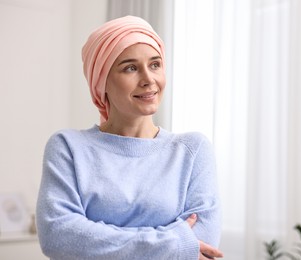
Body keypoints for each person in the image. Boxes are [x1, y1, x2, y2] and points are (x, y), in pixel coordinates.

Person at [36, 15, 223, 260]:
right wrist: (172, 243)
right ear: (101, 82)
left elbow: (203, 244)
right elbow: (58, 236)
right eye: (130, 68)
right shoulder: (68, 147)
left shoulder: (192, 149)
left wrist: (96, 240)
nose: (148, 79)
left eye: (155, 65)